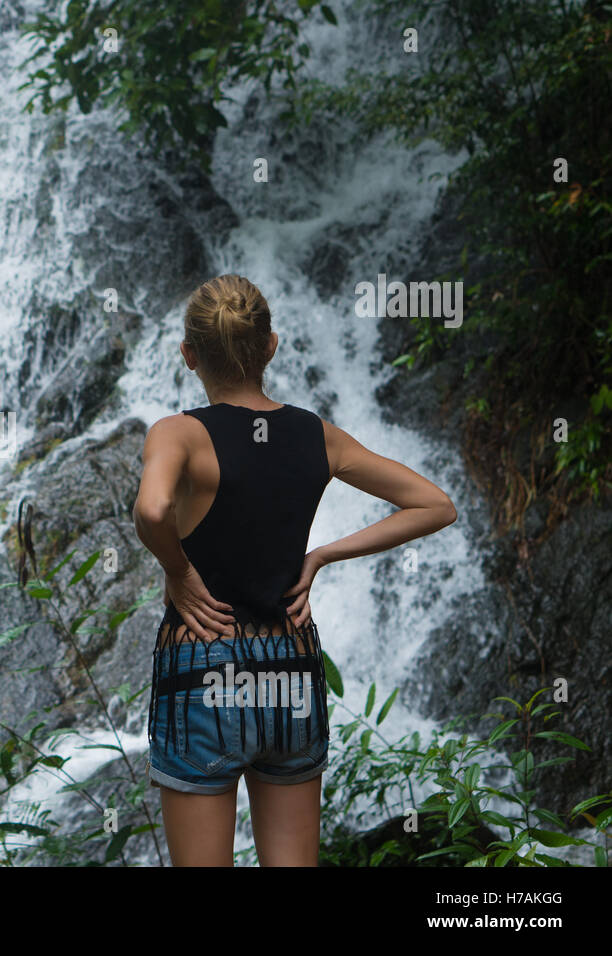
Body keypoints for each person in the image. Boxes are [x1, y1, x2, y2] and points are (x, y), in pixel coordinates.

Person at [132, 274, 457, 866]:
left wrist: (178, 571)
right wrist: (324, 554)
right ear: (272, 346)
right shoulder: (317, 434)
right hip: (292, 668)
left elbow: (152, 509)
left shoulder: (178, 435)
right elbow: (436, 504)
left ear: (189, 355)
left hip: (204, 667)